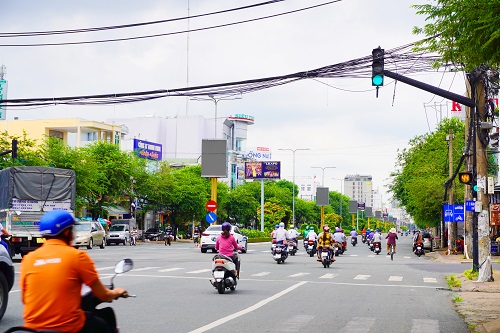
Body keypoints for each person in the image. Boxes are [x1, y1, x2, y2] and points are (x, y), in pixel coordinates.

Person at [20, 210, 127, 333]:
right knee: (106, 320)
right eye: (72, 230)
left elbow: (25, 299)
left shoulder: (28, 259)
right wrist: (117, 292)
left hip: (32, 328)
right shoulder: (77, 256)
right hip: (69, 326)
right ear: (67, 233)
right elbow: (103, 295)